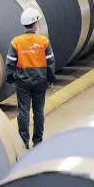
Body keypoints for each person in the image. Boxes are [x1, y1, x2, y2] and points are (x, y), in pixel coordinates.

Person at [5, 8, 56, 149]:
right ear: (34, 24)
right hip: (40, 81)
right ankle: (38, 141)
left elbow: (10, 63)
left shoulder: (16, 42)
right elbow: (50, 63)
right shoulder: (43, 41)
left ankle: (24, 141)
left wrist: (11, 79)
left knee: (23, 111)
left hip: (22, 83)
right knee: (38, 111)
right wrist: (50, 79)